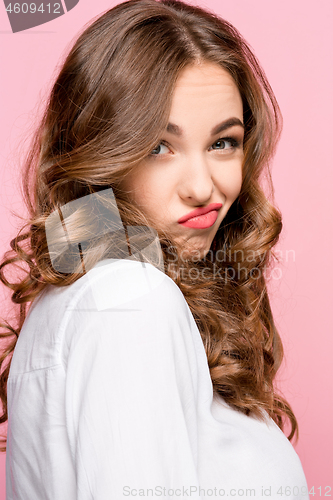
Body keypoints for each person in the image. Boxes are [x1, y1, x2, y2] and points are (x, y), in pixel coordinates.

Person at [0, 0, 309, 498]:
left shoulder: (90, 284)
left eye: (223, 142)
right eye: (157, 147)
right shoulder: (132, 297)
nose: (203, 187)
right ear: (101, 152)